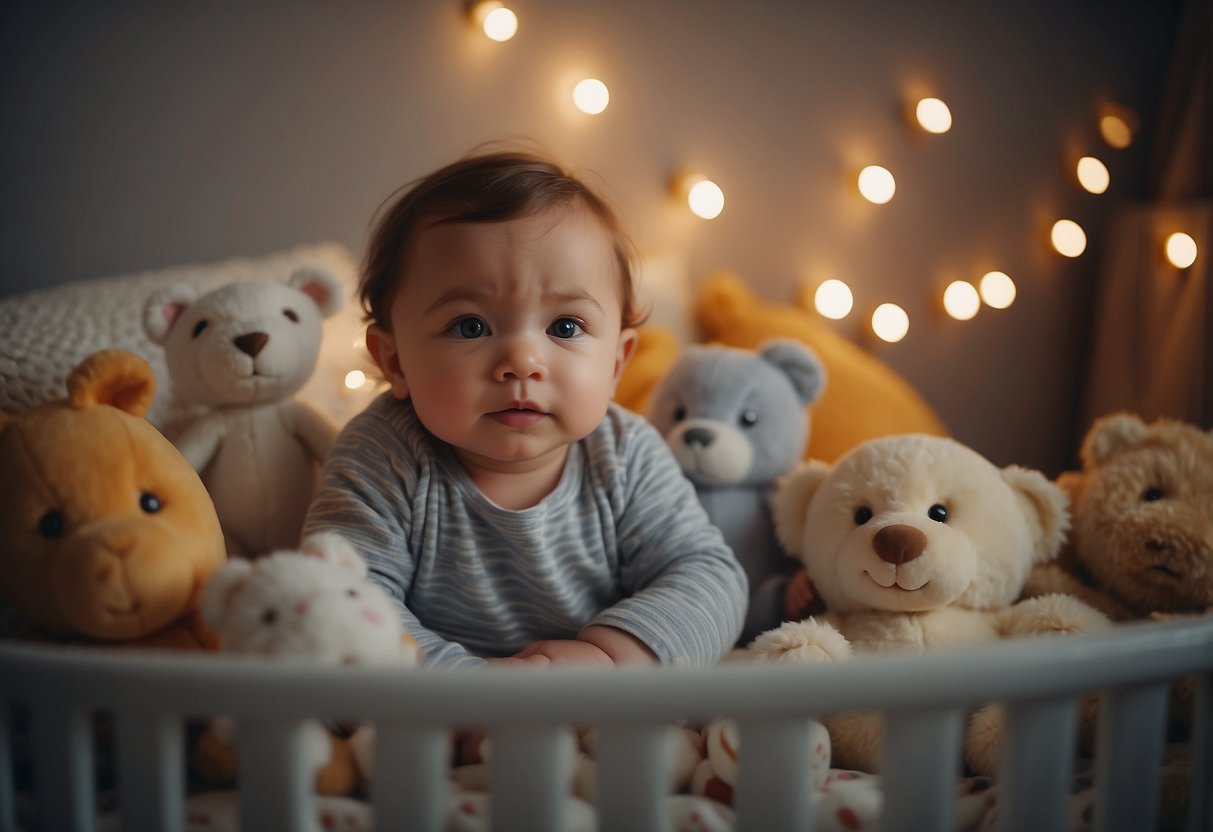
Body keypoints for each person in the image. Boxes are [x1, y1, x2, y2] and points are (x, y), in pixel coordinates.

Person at [303, 148, 747, 669]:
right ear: (395, 362)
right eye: (470, 326)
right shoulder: (383, 454)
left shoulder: (625, 454)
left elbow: (708, 575)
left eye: (565, 327)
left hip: (599, 708)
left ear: (615, 364)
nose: (522, 363)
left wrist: (613, 658)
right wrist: (472, 692)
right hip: (434, 721)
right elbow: (340, 600)